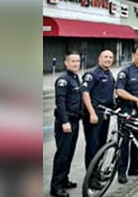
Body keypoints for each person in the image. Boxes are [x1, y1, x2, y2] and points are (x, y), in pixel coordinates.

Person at [115, 47, 138, 184]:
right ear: (133, 56)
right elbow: (119, 91)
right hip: (128, 110)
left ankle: (135, 167)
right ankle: (121, 172)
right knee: (124, 142)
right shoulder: (125, 72)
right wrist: (136, 99)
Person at [50, 51, 83, 197]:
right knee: (62, 154)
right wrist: (64, 121)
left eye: (78, 61)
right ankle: (56, 186)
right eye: (73, 61)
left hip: (74, 121)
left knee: (69, 153)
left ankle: (64, 179)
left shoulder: (75, 78)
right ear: (66, 63)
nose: (76, 63)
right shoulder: (63, 80)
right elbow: (60, 102)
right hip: (66, 122)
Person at [81, 50, 116, 176]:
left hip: (104, 114)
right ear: (99, 59)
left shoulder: (109, 74)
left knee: (101, 146)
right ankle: (91, 177)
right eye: (105, 57)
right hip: (94, 115)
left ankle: (97, 173)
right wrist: (92, 113)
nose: (108, 59)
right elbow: (85, 93)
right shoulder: (92, 74)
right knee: (93, 146)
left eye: (110, 57)